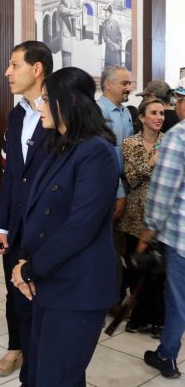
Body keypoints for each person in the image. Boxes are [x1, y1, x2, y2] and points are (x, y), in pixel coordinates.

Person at [12, 66, 119, 387]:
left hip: (78, 287)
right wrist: (24, 260)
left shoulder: (96, 151)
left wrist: (30, 269)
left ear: (68, 101)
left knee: (57, 377)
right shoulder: (59, 145)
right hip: (50, 279)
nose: (40, 105)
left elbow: (80, 226)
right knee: (38, 372)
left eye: (46, 99)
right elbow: (37, 213)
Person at [0, 41, 53, 383]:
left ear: (37, 68)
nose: (7, 72)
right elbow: (11, 175)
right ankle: (17, 348)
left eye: (15, 65)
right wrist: (1, 226)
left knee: (42, 298)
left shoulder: (61, 114)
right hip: (16, 227)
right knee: (15, 292)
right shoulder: (17, 115)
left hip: (47, 230)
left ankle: (40, 360)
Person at [140, 79, 185, 379]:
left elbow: (163, 189)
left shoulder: (178, 136)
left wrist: (149, 229)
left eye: (178, 100)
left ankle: (166, 356)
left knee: (178, 300)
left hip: (181, 237)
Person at [116, 98, 165, 336]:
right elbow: (132, 178)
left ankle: (158, 320)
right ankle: (138, 317)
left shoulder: (170, 142)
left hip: (161, 217)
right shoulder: (130, 143)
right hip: (135, 216)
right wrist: (152, 162)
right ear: (142, 117)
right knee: (136, 271)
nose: (159, 117)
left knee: (159, 272)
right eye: (153, 113)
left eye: (161, 113)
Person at [97, 65, 133, 301]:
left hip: (125, 188)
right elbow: (105, 158)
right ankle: (109, 299)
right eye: (124, 83)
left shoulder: (126, 112)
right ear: (108, 84)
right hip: (107, 189)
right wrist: (119, 192)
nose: (129, 88)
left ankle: (115, 294)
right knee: (109, 247)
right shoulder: (97, 112)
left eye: (129, 83)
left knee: (120, 246)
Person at [57, 0, 81, 67]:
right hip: (65, 39)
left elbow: (71, 11)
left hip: (67, 39)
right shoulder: (61, 8)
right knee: (66, 64)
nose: (68, 0)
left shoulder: (64, 7)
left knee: (68, 63)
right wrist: (79, 11)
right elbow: (69, 12)